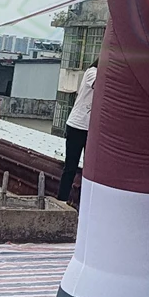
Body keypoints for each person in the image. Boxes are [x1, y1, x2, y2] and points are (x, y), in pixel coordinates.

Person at [57, 59, 97, 203]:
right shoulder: (92, 72)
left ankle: (85, 203)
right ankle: (61, 200)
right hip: (77, 126)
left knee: (90, 169)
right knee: (70, 167)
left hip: (91, 130)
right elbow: (101, 85)